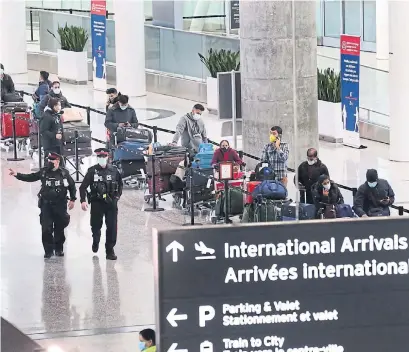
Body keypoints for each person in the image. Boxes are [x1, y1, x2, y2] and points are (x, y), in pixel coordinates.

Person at [9, 152, 76, 258]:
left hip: (60, 204)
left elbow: (72, 186)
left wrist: (73, 199)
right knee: (46, 228)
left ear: (57, 161)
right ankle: (48, 251)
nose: (49, 162)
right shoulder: (44, 172)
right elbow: (31, 177)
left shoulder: (64, 173)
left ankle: (59, 249)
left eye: (52, 160)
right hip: (46, 205)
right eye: (48, 160)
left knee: (59, 228)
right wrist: (17, 175)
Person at [79, 148, 123, 260]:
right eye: (100, 157)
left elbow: (120, 184)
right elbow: (83, 187)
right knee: (96, 225)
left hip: (111, 202)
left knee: (112, 227)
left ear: (107, 157)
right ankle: (96, 241)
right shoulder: (92, 171)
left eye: (104, 157)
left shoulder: (114, 170)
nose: (102, 159)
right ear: (97, 158)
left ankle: (110, 250)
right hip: (97, 202)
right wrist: (83, 200)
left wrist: (117, 197)